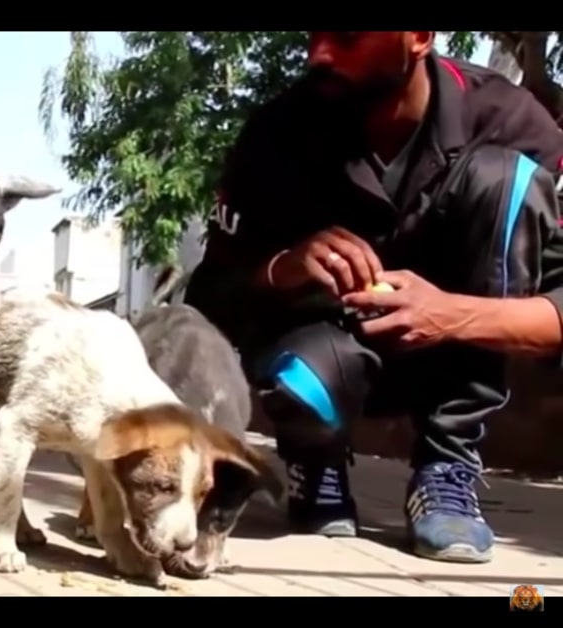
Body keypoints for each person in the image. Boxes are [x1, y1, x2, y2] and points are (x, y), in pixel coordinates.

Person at [185, 31, 563, 564]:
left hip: (460, 361)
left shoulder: (511, 119)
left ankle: (447, 467)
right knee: (300, 380)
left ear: (419, 38)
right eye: (313, 36)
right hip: (327, 355)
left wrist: (450, 316)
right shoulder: (276, 134)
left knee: (506, 178)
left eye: (347, 37)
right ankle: (314, 462)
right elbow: (208, 299)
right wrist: (281, 267)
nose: (319, 54)